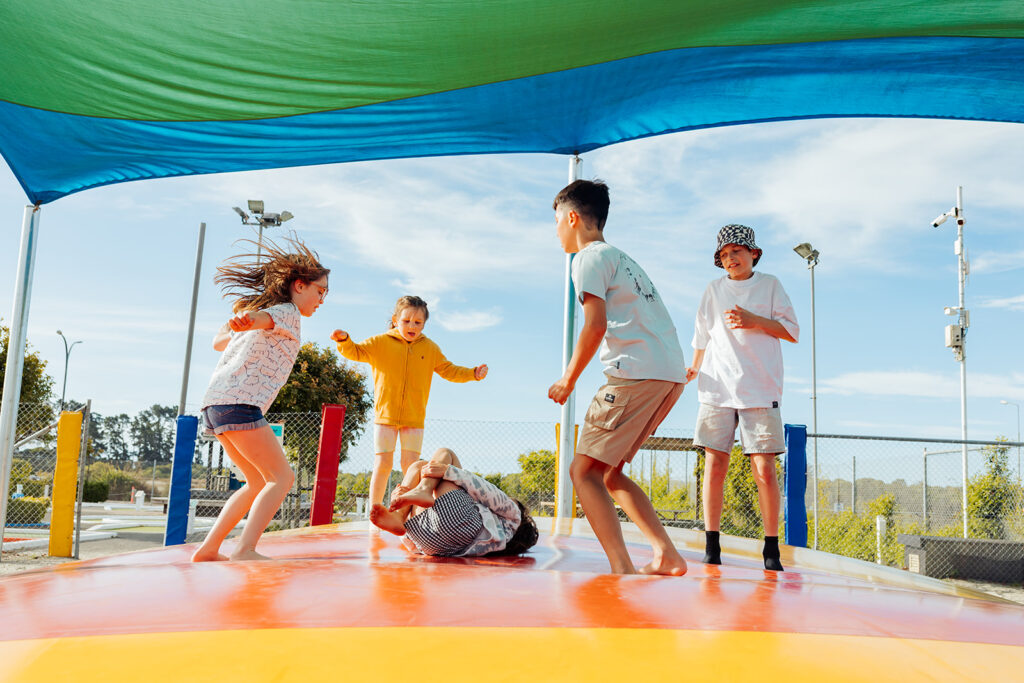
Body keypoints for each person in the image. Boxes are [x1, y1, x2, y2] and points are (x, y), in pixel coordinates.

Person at [547, 179, 689, 576]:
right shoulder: (624, 259)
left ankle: (621, 568)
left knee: (582, 472)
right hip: (667, 373)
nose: (556, 232)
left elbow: (595, 325)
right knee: (608, 474)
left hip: (636, 373)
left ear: (572, 218)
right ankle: (666, 554)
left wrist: (568, 379)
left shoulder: (587, 258)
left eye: (556, 222)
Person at [191, 235, 330, 562]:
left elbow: (219, 341)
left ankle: (208, 549)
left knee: (255, 481)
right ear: (299, 286)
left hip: (215, 406)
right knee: (282, 478)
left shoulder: (265, 314)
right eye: (320, 291)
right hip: (240, 404)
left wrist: (238, 324)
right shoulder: (288, 312)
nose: (322, 300)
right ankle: (245, 549)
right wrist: (248, 320)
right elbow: (262, 320)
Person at [687, 224, 799, 571]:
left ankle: (771, 549)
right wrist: (693, 368)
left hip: (760, 389)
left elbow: (791, 331)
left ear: (754, 253)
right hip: (716, 388)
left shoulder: (770, 285)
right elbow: (701, 336)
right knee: (714, 466)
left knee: (764, 469)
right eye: (724, 254)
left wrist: (754, 320)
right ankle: (712, 545)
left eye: (736, 251)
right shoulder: (713, 289)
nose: (730, 258)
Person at [330, 296, 487, 507]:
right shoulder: (380, 342)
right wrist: (344, 341)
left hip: (414, 418)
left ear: (424, 324)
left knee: (411, 466)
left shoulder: (430, 348)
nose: (412, 326)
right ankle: (375, 511)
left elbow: (448, 370)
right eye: (406, 321)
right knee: (383, 464)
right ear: (395, 320)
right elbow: (356, 351)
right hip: (385, 417)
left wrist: (472, 373)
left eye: (418, 322)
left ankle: (410, 513)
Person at [370, 447, 539, 557]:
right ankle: (401, 515)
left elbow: (487, 491)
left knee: (444, 454)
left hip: (460, 520)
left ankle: (411, 502)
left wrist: (449, 471)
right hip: (430, 544)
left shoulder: (514, 517)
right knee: (420, 466)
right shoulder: (492, 545)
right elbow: (416, 543)